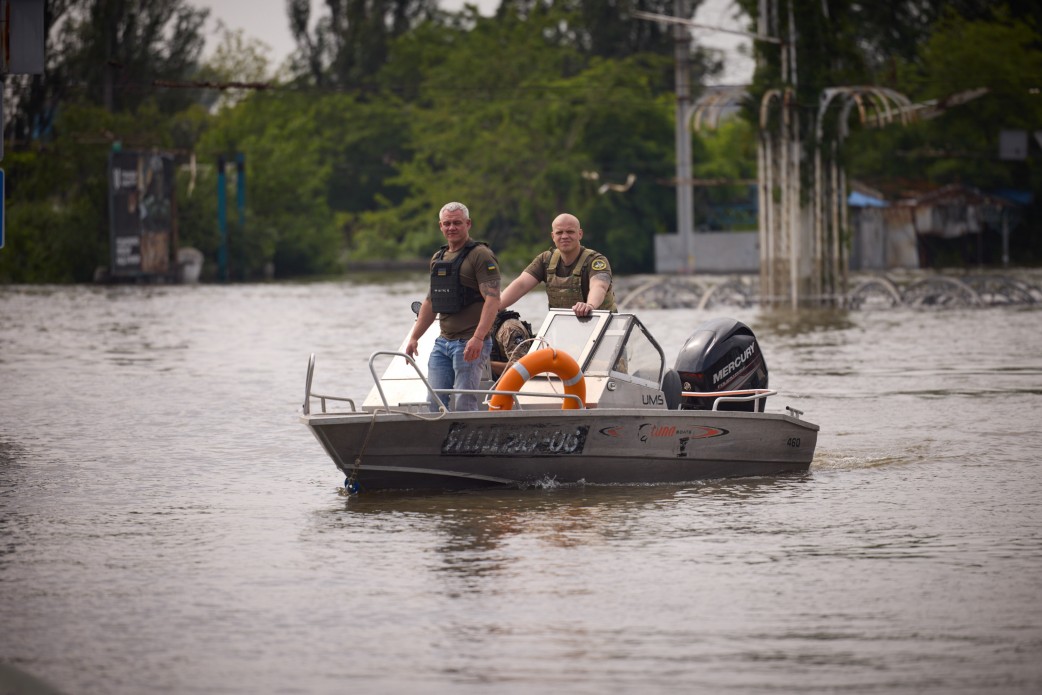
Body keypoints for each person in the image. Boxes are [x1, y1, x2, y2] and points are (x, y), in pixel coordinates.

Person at [406, 202, 501, 412]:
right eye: (447, 223)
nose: (452, 228)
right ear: (440, 226)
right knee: (434, 403)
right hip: (443, 343)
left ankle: (469, 444)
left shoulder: (480, 255)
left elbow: (493, 300)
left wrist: (478, 338)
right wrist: (414, 337)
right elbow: (431, 302)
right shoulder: (438, 258)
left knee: (464, 404)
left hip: (469, 342)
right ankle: (437, 442)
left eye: (457, 223)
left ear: (468, 224)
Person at [499, 213, 617, 317]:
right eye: (559, 232)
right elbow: (521, 284)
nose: (564, 236)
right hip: (563, 329)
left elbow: (599, 286)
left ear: (580, 234)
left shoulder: (596, 261)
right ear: (553, 236)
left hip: (603, 328)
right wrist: (495, 307)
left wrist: (590, 305)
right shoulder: (545, 260)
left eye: (570, 231)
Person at [489, 310, 534, 378]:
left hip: (512, 384)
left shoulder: (510, 329)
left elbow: (521, 367)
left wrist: (486, 365)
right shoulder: (488, 324)